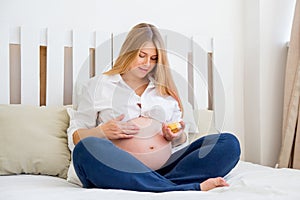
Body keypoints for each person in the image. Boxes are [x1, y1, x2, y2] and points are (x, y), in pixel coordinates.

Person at [67, 23, 240, 192]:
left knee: (229, 143)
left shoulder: (164, 91)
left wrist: (176, 136)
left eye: (154, 58)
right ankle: (183, 187)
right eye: (142, 55)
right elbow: (75, 136)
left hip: (166, 169)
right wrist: (103, 131)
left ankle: (155, 183)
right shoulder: (98, 86)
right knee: (85, 149)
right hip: (117, 168)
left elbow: (180, 142)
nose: (147, 64)